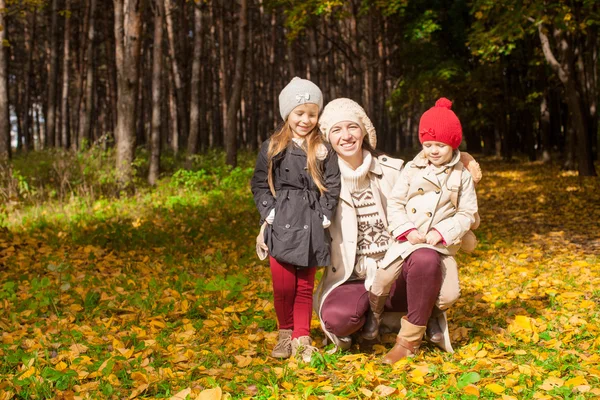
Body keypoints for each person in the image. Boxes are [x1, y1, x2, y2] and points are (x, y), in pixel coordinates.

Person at [312, 98, 481, 362]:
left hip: (399, 267)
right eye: (336, 130)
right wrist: (268, 223)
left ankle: (411, 329)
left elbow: (439, 180)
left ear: (364, 130)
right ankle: (388, 317)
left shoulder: (396, 170)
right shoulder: (321, 181)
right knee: (338, 319)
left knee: (425, 257)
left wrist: (464, 163)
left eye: (352, 127)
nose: (346, 136)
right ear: (328, 138)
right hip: (353, 278)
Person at [371, 97, 479, 363]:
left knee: (449, 294)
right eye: (428, 144)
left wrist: (442, 232)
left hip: (439, 244)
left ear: (453, 143)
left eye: (440, 145)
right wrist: (406, 230)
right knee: (382, 280)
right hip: (408, 240)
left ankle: (430, 314)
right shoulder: (412, 168)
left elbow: (467, 213)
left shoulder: (461, 176)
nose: (433, 151)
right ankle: (373, 318)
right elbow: (395, 203)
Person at [251, 77, 341, 362]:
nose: (305, 120)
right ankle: (285, 332)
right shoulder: (273, 146)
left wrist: (326, 213)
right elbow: (259, 184)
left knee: (304, 286)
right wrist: (270, 212)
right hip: (281, 225)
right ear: (287, 113)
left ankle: (302, 336)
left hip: (312, 223)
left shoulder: (323, 149)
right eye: (299, 113)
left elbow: (333, 183)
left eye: (312, 114)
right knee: (283, 286)